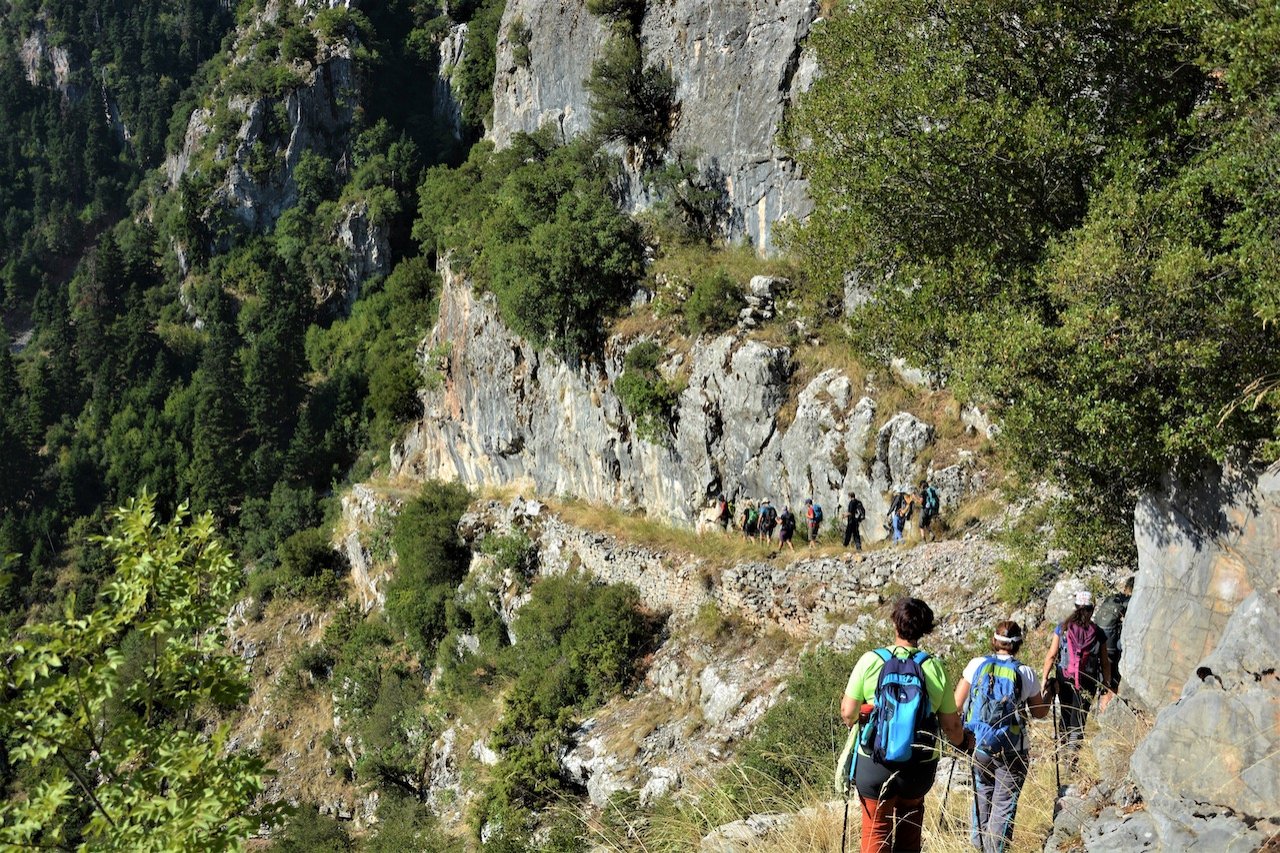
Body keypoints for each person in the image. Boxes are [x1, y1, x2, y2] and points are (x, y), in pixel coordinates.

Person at [840, 598, 971, 853]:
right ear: (924, 629)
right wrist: (965, 743)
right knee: (910, 824)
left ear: (894, 624)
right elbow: (951, 725)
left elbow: (848, 713)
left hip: (874, 763)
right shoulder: (933, 667)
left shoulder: (870, 660)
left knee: (876, 830)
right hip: (918, 767)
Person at [955, 621, 1049, 853]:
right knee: (1004, 805)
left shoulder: (976, 664)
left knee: (982, 795)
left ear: (994, 641)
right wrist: (1049, 690)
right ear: (1018, 645)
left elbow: (956, 703)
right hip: (1013, 749)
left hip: (979, 745)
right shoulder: (1025, 672)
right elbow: (1039, 713)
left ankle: (979, 848)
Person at [1041, 591, 1112, 765]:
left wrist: (1044, 679)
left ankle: (1062, 754)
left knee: (1065, 715)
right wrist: (1106, 683)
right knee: (1078, 719)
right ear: (1092, 609)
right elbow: (1104, 662)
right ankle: (1071, 761)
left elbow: (1051, 655)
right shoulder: (1099, 633)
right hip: (1087, 681)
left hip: (1064, 679)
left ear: (1075, 607)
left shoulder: (1063, 628)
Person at [1094, 576, 1133, 707]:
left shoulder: (1111, 599)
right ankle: (1106, 715)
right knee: (1112, 683)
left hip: (1099, 645)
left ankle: (1100, 713)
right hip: (1112, 650)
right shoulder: (1130, 603)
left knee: (1104, 683)